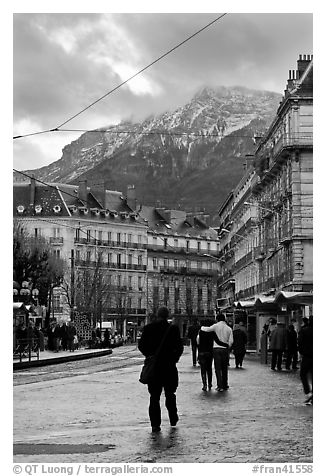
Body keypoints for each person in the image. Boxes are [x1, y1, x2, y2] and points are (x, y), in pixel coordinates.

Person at [138, 306, 184, 433]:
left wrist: (149, 356)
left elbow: (141, 346)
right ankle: (173, 417)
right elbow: (180, 347)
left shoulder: (148, 328)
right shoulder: (173, 329)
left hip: (154, 368)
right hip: (169, 367)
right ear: (168, 316)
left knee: (154, 397)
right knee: (170, 394)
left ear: (157, 315)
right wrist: (174, 358)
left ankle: (155, 424)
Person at [200, 313, 233, 392]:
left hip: (216, 349)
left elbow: (207, 329)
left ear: (217, 319)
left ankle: (220, 385)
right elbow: (231, 341)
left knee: (218, 368)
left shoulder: (215, 326)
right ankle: (225, 384)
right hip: (225, 349)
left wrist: (201, 327)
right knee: (225, 368)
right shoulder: (229, 328)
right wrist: (228, 346)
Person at [298, 316, 313, 405]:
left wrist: (302, 352)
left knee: (303, 373)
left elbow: (300, 343)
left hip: (307, 356)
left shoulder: (304, 330)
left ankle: (308, 391)